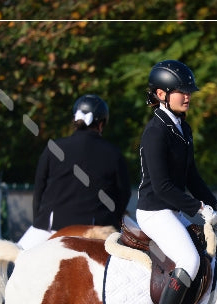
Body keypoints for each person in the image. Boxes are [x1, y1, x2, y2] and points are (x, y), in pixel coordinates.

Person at [136, 59, 217, 304]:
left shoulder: (183, 128)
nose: (188, 95)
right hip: (154, 211)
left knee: (208, 255)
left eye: (189, 91)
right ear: (162, 94)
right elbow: (162, 187)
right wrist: (199, 209)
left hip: (173, 210)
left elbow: (192, 178)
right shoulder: (155, 132)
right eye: (181, 91)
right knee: (189, 259)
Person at [17, 93, 131, 250]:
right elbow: (123, 194)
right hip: (94, 230)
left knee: (15, 261)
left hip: (50, 226)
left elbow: (39, 191)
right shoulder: (114, 153)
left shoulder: (54, 147)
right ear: (101, 124)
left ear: (75, 120)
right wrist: (112, 221)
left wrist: (40, 221)